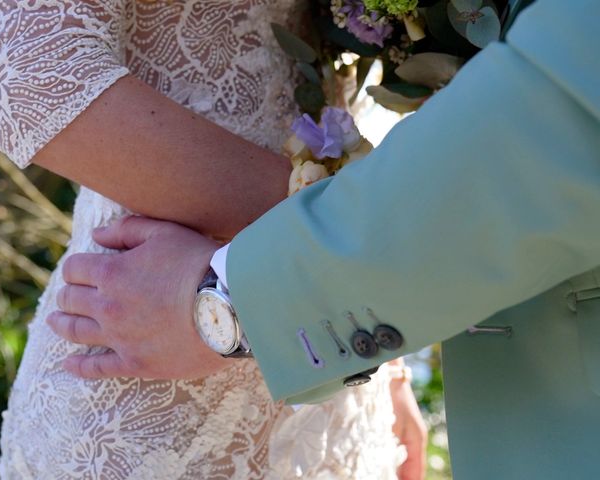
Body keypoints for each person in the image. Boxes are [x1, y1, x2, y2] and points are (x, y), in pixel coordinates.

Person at [51, 0, 600, 478]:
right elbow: (39, 83)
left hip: (275, 326)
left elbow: (564, 113)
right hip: (149, 346)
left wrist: (233, 302)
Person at [0, 0, 426, 478]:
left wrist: (382, 349)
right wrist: (335, 244)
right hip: (152, 376)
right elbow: (37, 80)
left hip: (335, 363)